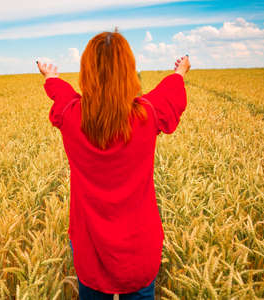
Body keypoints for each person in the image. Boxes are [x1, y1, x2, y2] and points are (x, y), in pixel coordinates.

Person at [36, 29, 190, 300]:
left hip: (89, 245)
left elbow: (62, 95)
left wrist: (50, 78)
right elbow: (168, 94)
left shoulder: (72, 116)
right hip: (139, 246)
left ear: (87, 72)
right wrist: (180, 73)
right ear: (129, 71)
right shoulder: (147, 114)